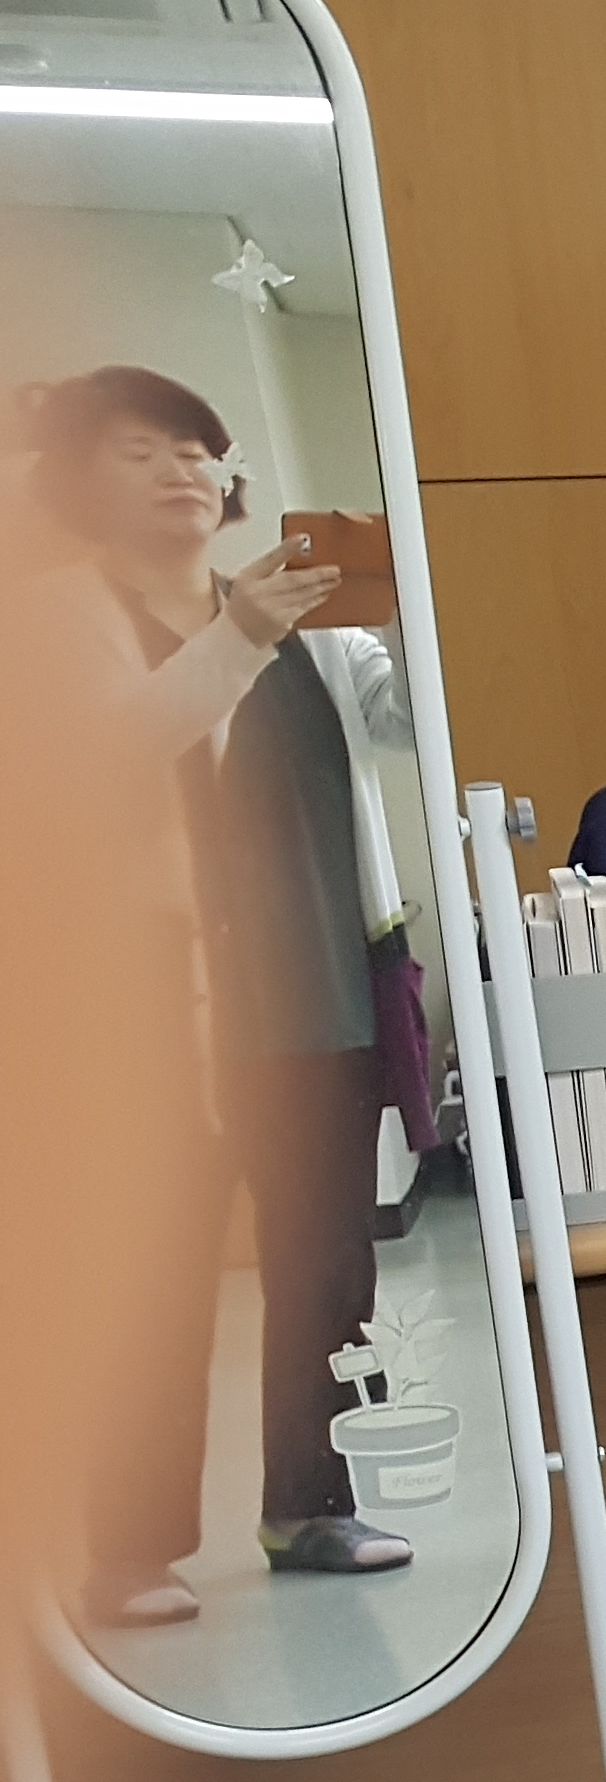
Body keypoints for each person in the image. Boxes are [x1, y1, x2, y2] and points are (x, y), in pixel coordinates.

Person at [20, 367, 413, 1627]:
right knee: (155, 1275)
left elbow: (416, 727)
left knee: (326, 1264)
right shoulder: (56, 617)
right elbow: (112, 750)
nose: (179, 470)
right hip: (150, 1010)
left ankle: (311, 1503)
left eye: (195, 450)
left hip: (310, 997)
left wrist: (414, 596)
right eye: (139, 451)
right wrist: (237, 633)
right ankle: (131, 1548)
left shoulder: (317, 628)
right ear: (79, 482)